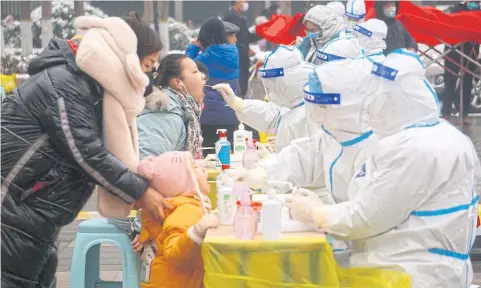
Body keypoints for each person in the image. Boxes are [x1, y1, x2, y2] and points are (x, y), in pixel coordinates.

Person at [286, 49, 480, 288]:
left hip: (410, 273)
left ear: (392, 101)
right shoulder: (442, 135)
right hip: (422, 267)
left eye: (374, 100)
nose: (368, 109)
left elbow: (366, 218)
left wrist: (316, 213)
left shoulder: (415, 149)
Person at [1, 15, 165, 287]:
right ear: (127, 58)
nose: (146, 77)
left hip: (35, 213)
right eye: (146, 65)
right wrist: (141, 191)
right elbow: (87, 154)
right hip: (11, 211)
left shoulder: (91, 86)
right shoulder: (65, 84)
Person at [237, 19, 387, 205]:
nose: (316, 114)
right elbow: (305, 155)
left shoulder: (376, 143)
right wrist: (265, 171)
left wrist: (323, 213)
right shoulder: (338, 131)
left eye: (320, 106)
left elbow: (370, 212)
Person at [137, 151, 219, 288]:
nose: (203, 170)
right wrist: (195, 233)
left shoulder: (175, 206)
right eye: (195, 167)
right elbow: (175, 255)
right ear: (183, 183)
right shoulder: (184, 212)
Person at [214, 46, 316, 153]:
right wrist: (238, 104)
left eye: (274, 83)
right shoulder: (295, 104)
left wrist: (284, 148)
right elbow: (275, 119)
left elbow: (308, 155)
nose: (272, 89)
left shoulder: (315, 109)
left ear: (290, 79)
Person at [137, 54, 207, 159]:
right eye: (195, 71)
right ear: (178, 83)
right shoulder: (165, 116)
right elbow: (148, 164)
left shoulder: (180, 110)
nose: (203, 76)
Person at [185, 17, 240, 150]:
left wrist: (193, 47)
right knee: (228, 156)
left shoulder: (205, 57)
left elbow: (184, 67)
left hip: (208, 119)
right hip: (231, 115)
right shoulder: (234, 52)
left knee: (209, 156)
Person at [441, 0, 480, 123]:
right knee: (450, 82)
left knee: (467, 84)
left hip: (471, 50)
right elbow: (445, 22)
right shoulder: (455, 9)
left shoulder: (478, 10)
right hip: (453, 51)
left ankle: (464, 114)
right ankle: (446, 112)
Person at [224, 0, 262, 99]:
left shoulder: (239, 17)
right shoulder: (231, 17)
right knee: (239, 87)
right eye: (244, 1)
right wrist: (244, 49)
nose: (246, 3)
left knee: (243, 85)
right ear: (237, 2)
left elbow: (246, 37)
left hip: (242, 57)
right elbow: (231, 40)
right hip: (237, 58)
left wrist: (264, 33)